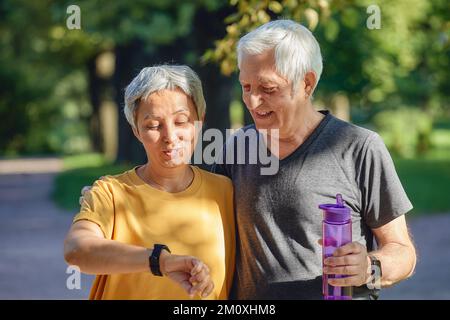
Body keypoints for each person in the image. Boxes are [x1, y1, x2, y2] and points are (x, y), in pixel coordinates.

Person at [212, 19, 416, 300]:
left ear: (306, 83)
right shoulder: (236, 148)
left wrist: (369, 266)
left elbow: (403, 252)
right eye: (246, 87)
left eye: (267, 89)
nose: (252, 101)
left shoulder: (359, 148)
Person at [64, 65, 235, 300]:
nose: (170, 137)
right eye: (153, 126)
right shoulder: (111, 193)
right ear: (136, 130)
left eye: (181, 121)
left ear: (199, 121)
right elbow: (76, 250)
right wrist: (159, 261)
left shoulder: (224, 191)